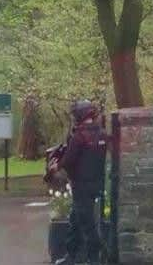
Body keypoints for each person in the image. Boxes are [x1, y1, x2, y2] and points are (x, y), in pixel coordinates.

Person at [50, 100, 107, 265]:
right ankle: (71, 256)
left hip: (81, 185)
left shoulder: (79, 136)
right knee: (75, 221)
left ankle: (94, 259)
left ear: (79, 115)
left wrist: (55, 166)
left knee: (88, 225)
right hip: (96, 183)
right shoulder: (102, 134)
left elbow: (69, 160)